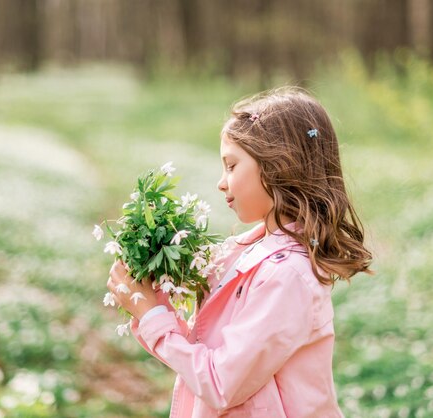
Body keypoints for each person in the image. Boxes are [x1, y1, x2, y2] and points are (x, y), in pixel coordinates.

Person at [107, 87, 373, 417]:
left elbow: (219, 382)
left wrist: (152, 318)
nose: (221, 182)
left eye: (231, 166)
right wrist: (152, 300)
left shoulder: (287, 275)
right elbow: (200, 358)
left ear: (279, 166)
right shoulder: (243, 251)